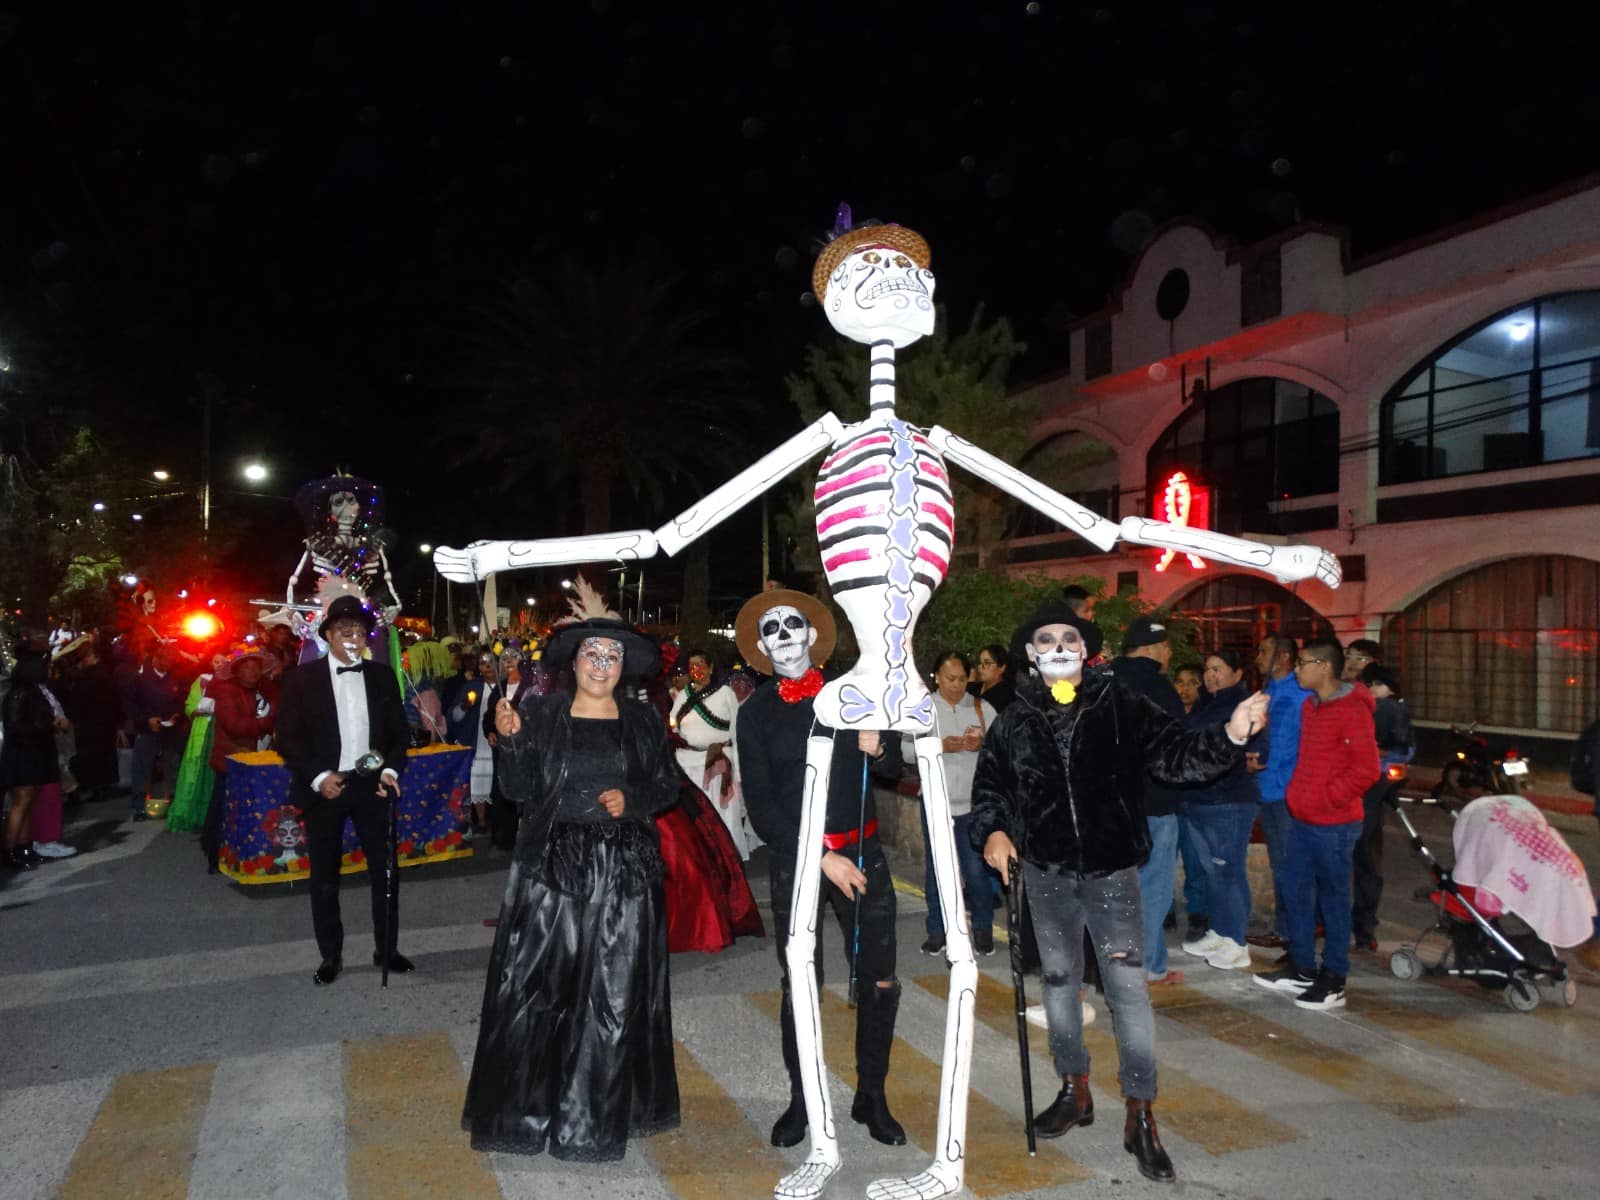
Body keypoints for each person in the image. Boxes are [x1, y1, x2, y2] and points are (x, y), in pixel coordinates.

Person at [972, 601, 1266, 1183]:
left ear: (1085, 650)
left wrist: (1230, 734)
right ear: (1031, 655)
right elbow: (991, 788)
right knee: (1058, 983)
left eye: (1069, 637)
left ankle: (1140, 1113)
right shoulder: (1013, 718)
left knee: (1128, 991)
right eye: (1045, 638)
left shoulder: (1121, 704)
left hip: (1111, 873)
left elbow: (1178, 758)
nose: (1058, 645)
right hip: (1047, 874)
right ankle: (1073, 1088)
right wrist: (996, 831)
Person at [461, 593, 681, 1161]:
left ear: (623, 666)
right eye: (592, 654)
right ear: (575, 662)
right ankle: (523, 1116)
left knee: (612, 995)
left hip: (623, 871)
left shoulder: (642, 719)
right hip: (552, 868)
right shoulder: (540, 712)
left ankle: (593, 1123)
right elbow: (518, 789)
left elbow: (667, 785)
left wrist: (632, 799)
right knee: (538, 988)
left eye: (612, 655)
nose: (602, 664)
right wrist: (509, 740)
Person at [733, 589, 906, 1150]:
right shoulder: (754, 713)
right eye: (771, 629)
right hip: (800, 862)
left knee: (878, 980)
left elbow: (893, 766)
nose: (783, 634)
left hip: (865, 858)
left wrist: (879, 748)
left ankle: (872, 1097)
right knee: (800, 983)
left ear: (811, 636)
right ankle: (802, 1098)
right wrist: (820, 857)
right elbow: (762, 806)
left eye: (793, 625)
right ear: (760, 647)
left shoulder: (850, 692)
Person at [275, 596, 413, 987]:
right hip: (326, 788)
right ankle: (330, 955)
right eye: (343, 631)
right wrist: (319, 777)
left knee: (386, 873)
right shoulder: (303, 678)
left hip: (372, 786)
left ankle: (386, 949)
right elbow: (287, 737)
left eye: (358, 631)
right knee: (324, 877)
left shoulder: (383, 675)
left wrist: (388, 769)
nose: (352, 638)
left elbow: (399, 736)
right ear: (328, 636)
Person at [1254, 639, 1379, 1011]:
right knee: (1294, 892)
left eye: (1303, 663)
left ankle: (1335, 975)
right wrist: (1299, 795)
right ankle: (1303, 966)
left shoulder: (1351, 709)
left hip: (1334, 823)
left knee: (1334, 899)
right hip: (1303, 818)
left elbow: (1367, 769)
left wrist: (1328, 797)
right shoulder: (1311, 705)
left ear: (1324, 667)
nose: (1296, 669)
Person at [1108, 616, 1187, 985]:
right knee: (1153, 890)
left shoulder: (1100, 680)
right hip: (1154, 805)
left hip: (1109, 805)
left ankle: (1119, 961)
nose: (1169, 654)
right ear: (1153, 648)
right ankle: (1147, 964)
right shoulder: (1161, 690)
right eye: (1166, 647)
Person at [1177, 650, 1265, 971]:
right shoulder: (1207, 703)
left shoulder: (1241, 705)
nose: (1211, 675)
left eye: (1218, 669)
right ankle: (1219, 931)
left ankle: (1237, 942)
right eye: (1208, 669)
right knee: (1212, 871)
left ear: (1237, 673)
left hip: (1227, 800)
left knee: (1228, 871)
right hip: (1198, 799)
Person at [914, 651, 1000, 956]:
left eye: (963, 679)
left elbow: (1003, 748)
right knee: (937, 870)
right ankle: (937, 931)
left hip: (973, 806)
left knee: (976, 871)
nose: (956, 685)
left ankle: (982, 929)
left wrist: (983, 743)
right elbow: (902, 750)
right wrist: (937, 746)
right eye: (950, 678)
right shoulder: (923, 709)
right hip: (937, 803)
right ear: (937, 677)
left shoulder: (981, 708)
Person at [1246, 632, 1314, 953]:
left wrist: (1260, 759)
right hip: (1267, 788)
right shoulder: (1267, 691)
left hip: (1284, 790)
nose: (1258, 658)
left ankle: (1292, 933)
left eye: (1264, 652)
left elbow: (1286, 743)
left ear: (1284, 657)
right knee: (1281, 864)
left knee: (1289, 865)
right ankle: (1290, 928)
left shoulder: (1297, 695)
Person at [1350, 662, 1415, 952]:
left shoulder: (1386, 709)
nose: (1371, 690)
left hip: (1364, 790)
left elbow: (1399, 748)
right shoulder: (1387, 709)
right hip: (1371, 791)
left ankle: (1357, 926)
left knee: (1360, 859)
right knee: (1367, 860)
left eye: (1375, 684)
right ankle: (1363, 928)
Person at [202, 644, 280, 873]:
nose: (253, 671)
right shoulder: (227, 690)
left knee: (254, 810)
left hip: (260, 759)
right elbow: (234, 725)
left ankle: (251, 854)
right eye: (247, 667)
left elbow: (282, 707)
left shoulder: (266, 688)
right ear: (237, 670)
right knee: (223, 808)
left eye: (256, 666)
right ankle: (214, 853)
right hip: (232, 761)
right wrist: (268, 723)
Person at [669, 648, 753, 858]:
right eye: (692, 666)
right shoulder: (683, 695)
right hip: (688, 763)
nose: (696, 670)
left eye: (700, 665)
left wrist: (739, 773)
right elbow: (673, 725)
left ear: (711, 668)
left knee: (722, 814)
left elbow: (735, 732)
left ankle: (728, 857)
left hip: (718, 762)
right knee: (694, 815)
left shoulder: (725, 693)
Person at [2, 648, 68, 868]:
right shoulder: (19, 693)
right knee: (21, 802)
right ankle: (10, 851)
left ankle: (24, 847)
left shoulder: (34, 692)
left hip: (36, 751)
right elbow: (14, 726)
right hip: (23, 753)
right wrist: (45, 726)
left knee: (29, 803)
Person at [125, 640, 188, 821]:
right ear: (156, 659)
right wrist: (145, 720)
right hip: (147, 729)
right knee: (142, 767)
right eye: (165, 661)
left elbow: (181, 698)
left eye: (171, 661)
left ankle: (175, 802)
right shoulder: (140, 678)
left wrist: (177, 714)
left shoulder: (175, 676)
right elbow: (131, 704)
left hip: (170, 728)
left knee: (173, 765)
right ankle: (138, 807)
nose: (167, 665)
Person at [63, 636, 123, 806]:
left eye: (88, 657)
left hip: (92, 724)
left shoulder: (91, 677)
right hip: (103, 723)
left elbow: (80, 699)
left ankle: (96, 787)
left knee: (93, 757)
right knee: (102, 756)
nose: (85, 660)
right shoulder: (103, 675)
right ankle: (102, 786)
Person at [968, 642, 1016, 712]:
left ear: (1002, 668)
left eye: (987, 663)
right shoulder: (977, 687)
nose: (981, 667)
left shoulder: (1004, 694)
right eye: (980, 663)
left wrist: (970, 684)